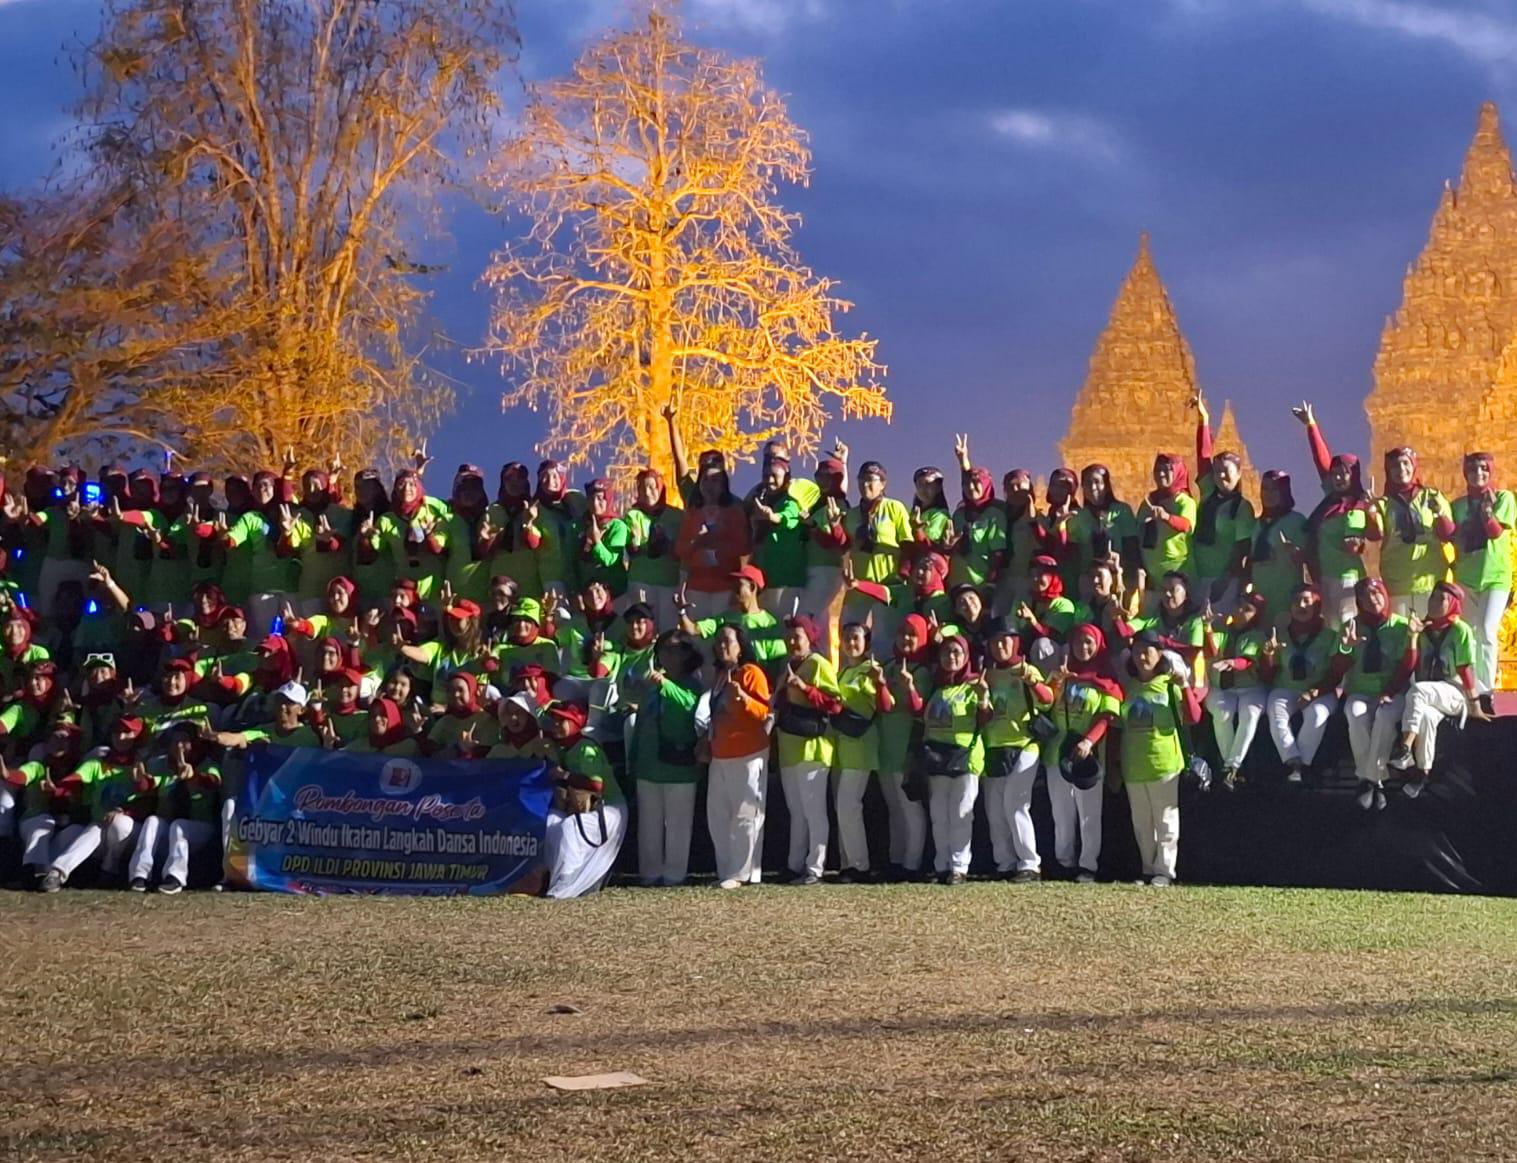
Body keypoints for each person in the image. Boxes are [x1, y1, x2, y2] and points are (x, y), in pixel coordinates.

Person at [1119, 631, 1200, 886]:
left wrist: (1184, 686)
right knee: (1142, 823)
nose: (1142, 656)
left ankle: (1164, 871)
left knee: (1166, 820)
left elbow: (1194, 717)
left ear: (1159, 653)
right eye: (1137, 650)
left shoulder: (1169, 684)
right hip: (1134, 766)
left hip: (1165, 763)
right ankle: (1147, 868)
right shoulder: (1129, 687)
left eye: (1148, 650)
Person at [1043, 624, 1121, 882]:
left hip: (1088, 755)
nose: (1083, 647)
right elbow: (1045, 703)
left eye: (1089, 642)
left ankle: (1088, 865)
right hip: (1058, 752)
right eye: (1078, 642)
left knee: (1089, 814)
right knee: (1061, 813)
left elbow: (1107, 714)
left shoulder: (1105, 679)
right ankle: (1064, 862)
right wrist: (1055, 680)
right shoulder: (1063, 676)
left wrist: (1089, 741)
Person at [1390, 581, 1484, 790]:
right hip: (1428, 693)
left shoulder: (1461, 630)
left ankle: (1405, 748)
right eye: (1432, 597)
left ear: (1452, 604)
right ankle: (1423, 773)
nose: (1433, 602)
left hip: (1454, 692)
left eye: (1441, 599)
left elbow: (1464, 670)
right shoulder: (1423, 628)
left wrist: (1475, 705)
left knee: (1418, 691)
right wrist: (1413, 637)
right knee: (1426, 716)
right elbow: (1410, 665)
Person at [629, 630, 704, 887]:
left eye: (676, 650)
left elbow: (688, 704)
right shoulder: (652, 687)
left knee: (678, 824)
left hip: (679, 767)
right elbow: (640, 723)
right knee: (648, 823)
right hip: (648, 764)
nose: (669, 655)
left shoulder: (692, 684)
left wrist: (665, 685)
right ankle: (649, 873)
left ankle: (674, 874)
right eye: (664, 650)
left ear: (687, 654)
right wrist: (634, 758)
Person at [1331, 577, 1413, 811]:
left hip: (1393, 691)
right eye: (1365, 596)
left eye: (1376, 593)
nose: (1372, 599)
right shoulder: (1350, 626)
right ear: (1359, 602)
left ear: (1385, 595)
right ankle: (1375, 779)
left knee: (1385, 718)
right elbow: (1337, 669)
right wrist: (1347, 647)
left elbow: (1406, 666)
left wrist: (1390, 691)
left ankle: (1368, 780)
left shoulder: (1401, 626)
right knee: (1355, 714)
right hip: (1360, 691)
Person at [979, 619, 1051, 882]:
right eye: (996, 640)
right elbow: (983, 716)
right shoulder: (985, 673)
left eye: (1006, 639)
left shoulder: (1026, 669)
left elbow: (1047, 701)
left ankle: (1030, 863)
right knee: (995, 809)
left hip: (1024, 744)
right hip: (994, 746)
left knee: (1015, 802)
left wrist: (1031, 681)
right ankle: (1005, 862)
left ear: (1016, 642)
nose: (1000, 645)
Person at [1441, 451, 1513, 708]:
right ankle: (1468, 687)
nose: (1478, 474)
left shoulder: (1504, 498)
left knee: (1486, 629)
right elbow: (1450, 535)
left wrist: (1487, 513)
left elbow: (1495, 533)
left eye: (1484, 469)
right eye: (1473, 470)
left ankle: (1485, 690)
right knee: (1468, 634)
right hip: (1466, 578)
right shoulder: (1458, 506)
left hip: (1495, 577)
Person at [773, 615, 841, 885]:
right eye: (789, 636)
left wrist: (804, 688)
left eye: (797, 636)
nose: (792, 641)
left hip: (813, 748)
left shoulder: (818, 664)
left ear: (810, 638)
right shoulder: (788, 664)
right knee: (797, 811)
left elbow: (835, 704)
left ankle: (815, 867)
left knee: (814, 811)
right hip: (790, 745)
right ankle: (794, 863)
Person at [705, 623, 772, 888]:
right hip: (720, 752)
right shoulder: (721, 675)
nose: (723, 646)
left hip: (748, 752)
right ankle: (727, 870)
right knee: (718, 815)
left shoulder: (752, 672)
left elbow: (764, 713)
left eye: (728, 641)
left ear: (741, 645)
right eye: (719, 641)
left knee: (747, 815)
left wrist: (744, 698)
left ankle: (743, 873)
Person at [1294, 402, 1369, 627]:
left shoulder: (1359, 503)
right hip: (1324, 577)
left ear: (1353, 476)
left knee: (1348, 627)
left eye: (1343, 474)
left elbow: (1358, 541)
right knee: (1330, 629)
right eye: (1335, 474)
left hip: (1348, 580)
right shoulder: (1332, 501)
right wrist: (1311, 425)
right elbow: (1322, 463)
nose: (1337, 478)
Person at [542, 699, 626, 898]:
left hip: (608, 807)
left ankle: (568, 879)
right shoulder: (560, 747)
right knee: (551, 821)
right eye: (554, 720)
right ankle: (551, 877)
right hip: (581, 806)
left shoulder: (586, 748)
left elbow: (596, 785)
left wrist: (565, 776)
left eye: (562, 721)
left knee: (569, 827)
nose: (556, 725)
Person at [920, 633, 985, 884]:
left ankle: (959, 866)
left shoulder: (973, 685)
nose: (951, 657)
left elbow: (984, 719)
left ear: (966, 656)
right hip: (938, 757)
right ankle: (942, 864)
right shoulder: (938, 687)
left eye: (957, 652)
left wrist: (983, 697)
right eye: (947, 652)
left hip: (964, 758)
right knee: (939, 814)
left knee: (961, 813)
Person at [832, 621, 893, 882]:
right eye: (846, 638)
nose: (851, 643)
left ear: (866, 642)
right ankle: (847, 862)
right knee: (842, 806)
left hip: (861, 744)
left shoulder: (870, 669)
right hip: (841, 745)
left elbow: (885, 705)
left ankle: (859, 864)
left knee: (848, 804)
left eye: (856, 638)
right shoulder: (845, 671)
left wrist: (880, 684)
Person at [1263, 584, 1339, 783]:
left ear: (1317, 606)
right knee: (1276, 711)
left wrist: (1314, 692)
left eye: (1307, 601)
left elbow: (1336, 673)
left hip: (1320, 690)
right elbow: (1269, 675)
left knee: (1317, 714)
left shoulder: (1329, 636)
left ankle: (1303, 766)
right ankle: (1292, 762)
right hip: (1286, 687)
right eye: (1297, 601)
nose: (1301, 606)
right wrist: (1269, 656)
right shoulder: (1280, 635)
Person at [875, 614, 931, 880]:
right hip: (885, 744)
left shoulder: (924, 671)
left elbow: (920, 711)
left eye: (913, 634)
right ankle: (896, 860)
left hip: (907, 746)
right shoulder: (886, 667)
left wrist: (909, 687)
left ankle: (912, 863)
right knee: (894, 806)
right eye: (902, 633)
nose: (906, 639)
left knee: (910, 807)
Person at [836, 461, 914, 652]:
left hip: (886, 584)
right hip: (858, 585)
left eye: (871, 480)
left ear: (883, 483)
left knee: (884, 639)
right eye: (861, 480)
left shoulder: (894, 508)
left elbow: (908, 544)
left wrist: (902, 574)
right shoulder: (852, 514)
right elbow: (843, 544)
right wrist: (834, 526)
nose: (865, 485)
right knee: (850, 637)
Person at [1367, 447, 1452, 619]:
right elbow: (1375, 535)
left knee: (1428, 635)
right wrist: (1370, 513)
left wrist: (1438, 513)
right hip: (1397, 582)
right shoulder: (1383, 504)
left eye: (1405, 463)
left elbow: (1447, 533)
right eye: (1395, 466)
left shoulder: (1432, 496)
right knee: (1403, 637)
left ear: (1414, 466)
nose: (1401, 470)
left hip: (1429, 579)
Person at [1191, 394, 1255, 611]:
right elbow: (1203, 458)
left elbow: (1242, 549)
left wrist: (1225, 581)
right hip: (1196, 576)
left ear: (1239, 474)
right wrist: (1204, 420)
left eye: (1226, 472)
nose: (1220, 476)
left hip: (1223, 583)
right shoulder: (1210, 494)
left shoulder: (1241, 508)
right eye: (1217, 472)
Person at [1202, 590, 1270, 788]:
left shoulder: (1257, 635)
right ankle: (1231, 767)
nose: (1240, 611)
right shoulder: (1223, 629)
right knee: (1222, 713)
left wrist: (1231, 662)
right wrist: (1207, 627)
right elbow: (1211, 651)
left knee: (1250, 713)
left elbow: (1247, 661)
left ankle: (1231, 766)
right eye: (1239, 605)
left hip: (1251, 688)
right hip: (1221, 688)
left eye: (1247, 609)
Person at [675, 462, 750, 622]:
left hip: (725, 587)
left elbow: (743, 548)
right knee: (697, 638)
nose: (710, 485)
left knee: (722, 633)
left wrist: (718, 542)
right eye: (706, 480)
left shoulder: (734, 513)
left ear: (724, 485)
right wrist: (698, 541)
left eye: (715, 480)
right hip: (697, 587)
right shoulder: (693, 514)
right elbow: (681, 550)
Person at [746, 443, 809, 619]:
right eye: (766, 476)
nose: (770, 480)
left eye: (775, 476)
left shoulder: (792, 499)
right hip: (764, 582)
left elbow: (788, 517)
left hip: (788, 584)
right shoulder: (757, 497)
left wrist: (772, 517)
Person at [1248, 471, 1310, 624]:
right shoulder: (1255, 524)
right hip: (1260, 600)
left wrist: (1295, 552)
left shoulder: (1297, 521)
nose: (1268, 494)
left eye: (1274, 489)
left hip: (1286, 599)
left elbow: (1309, 557)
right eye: (1265, 488)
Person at [624, 468, 683, 626]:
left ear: (660, 488)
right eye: (642, 488)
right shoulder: (632, 515)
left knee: (668, 629)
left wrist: (667, 546)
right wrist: (641, 546)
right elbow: (632, 548)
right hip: (641, 581)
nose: (647, 492)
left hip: (669, 581)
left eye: (651, 487)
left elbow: (682, 550)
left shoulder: (677, 516)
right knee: (645, 628)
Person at [947, 436, 1008, 591]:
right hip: (956, 582)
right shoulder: (960, 514)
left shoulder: (995, 515)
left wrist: (991, 582)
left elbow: (997, 553)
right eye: (966, 484)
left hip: (980, 583)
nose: (971, 488)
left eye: (976, 484)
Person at [1068, 464, 1139, 589]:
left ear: (1106, 486)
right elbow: (1073, 555)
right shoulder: (1077, 517)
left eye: (1098, 482)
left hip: (1119, 578)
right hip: (1089, 581)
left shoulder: (1122, 511)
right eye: (1088, 483)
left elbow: (1132, 548)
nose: (1093, 487)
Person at [1139, 453, 1195, 594]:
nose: (1161, 474)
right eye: (1157, 470)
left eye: (1166, 470)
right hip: (1151, 576)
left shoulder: (1184, 501)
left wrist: (1166, 517)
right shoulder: (1149, 502)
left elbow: (1186, 526)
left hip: (1179, 573)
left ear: (1177, 472)